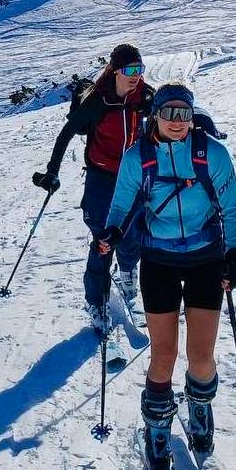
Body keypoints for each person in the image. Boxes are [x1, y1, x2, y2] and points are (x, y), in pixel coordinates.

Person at [97, 82, 236, 470]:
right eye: (169, 113)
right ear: (156, 116)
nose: (177, 122)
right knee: (163, 354)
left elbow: (232, 208)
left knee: (201, 355)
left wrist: (233, 257)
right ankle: (157, 430)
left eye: (184, 114)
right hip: (159, 261)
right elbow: (121, 205)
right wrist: (111, 233)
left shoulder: (211, 154)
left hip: (205, 259)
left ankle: (200, 408)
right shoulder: (138, 158)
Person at [33, 44, 155, 332]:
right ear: (115, 70)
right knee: (102, 240)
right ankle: (96, 302)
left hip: (133, 178)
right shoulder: (98, 100)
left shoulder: (146, 96)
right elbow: (66, 134)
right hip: (101, 178)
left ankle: (127, 270)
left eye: (139, 69)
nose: (135, 75)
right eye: (130, 69)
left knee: (132, 233)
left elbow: (169, 117)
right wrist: (52, 171)